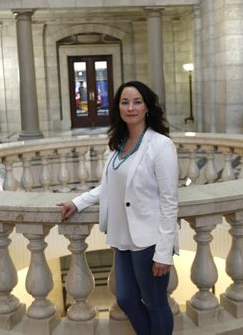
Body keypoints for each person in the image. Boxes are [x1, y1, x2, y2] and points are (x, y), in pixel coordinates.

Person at [58, 81, 179, 335]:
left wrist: (164, 252)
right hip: (121, 237)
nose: (131, 107)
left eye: (137, 102)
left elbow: (169, 202)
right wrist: (77, 202)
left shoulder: (160, 145)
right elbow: (108, 187)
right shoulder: (116, 146)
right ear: (118, 108)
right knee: (125, 298)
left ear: (147, 107)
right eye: (125, 102)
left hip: (149, 241)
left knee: (156, 304)